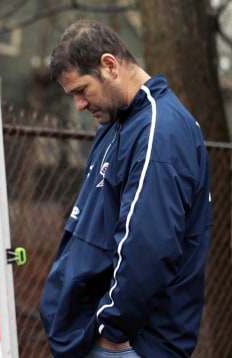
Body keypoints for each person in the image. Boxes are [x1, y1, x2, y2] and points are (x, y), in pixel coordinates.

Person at [39, 19, 212, 358]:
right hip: (100, 337)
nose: (79, 105)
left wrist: (112, 330)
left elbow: (148, 246)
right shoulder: (119, 122)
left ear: (109, 65)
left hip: (131, 345)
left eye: (81, 90)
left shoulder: (158, 131)